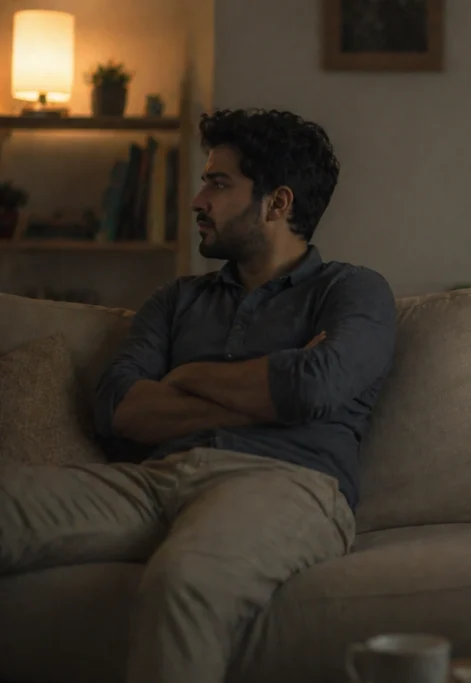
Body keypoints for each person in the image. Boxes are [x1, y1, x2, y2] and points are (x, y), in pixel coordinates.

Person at [0, 108, 397, 683]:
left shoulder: (353, 290)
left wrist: (184, 378)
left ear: (277, 203)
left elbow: (314, 385)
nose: (196, 200)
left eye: (217, 183)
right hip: (155, 480)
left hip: (285, 485)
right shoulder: (177, 300)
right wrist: (269, 384)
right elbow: (118, 407)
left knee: (185, 579)